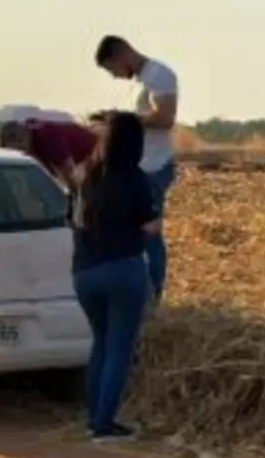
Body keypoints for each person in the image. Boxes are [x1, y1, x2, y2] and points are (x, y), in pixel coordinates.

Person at [69, 111, 160, 443]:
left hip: (84, 272)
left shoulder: (87, 177)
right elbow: (150, 225)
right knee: (120, 348)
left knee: (101, 343)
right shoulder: (137, 179)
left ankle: (93, 415)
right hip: (123, 268)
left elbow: (75, 221)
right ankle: (104, 424)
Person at [93, 35, 179, 303]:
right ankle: (141, 293)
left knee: (148, 234)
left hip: (154, 167)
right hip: (140, 166)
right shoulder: (145, 79)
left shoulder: (159, 75)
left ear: (120, 56)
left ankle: (153, 296)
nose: (116, 77)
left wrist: (122, 121)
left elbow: (165, 118)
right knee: (134, 234)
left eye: (112, 70)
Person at [0, 119, 98, 191]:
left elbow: (70, 174)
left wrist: (75, 197)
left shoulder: (46, 137)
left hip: (95, 156)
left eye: (15, 149)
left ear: (20, 139)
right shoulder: (31, 145)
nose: (19, 154)